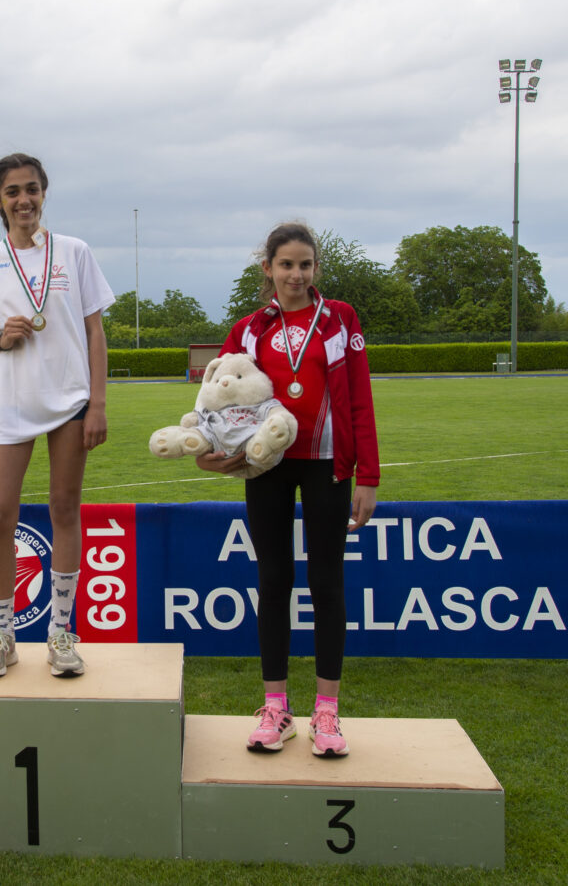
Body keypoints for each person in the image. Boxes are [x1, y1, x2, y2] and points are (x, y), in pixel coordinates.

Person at [199, 222, 379, 757]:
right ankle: (275, 708)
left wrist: (366, 475)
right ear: (268, 269)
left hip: (328, 466)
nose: (296, 274)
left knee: (327, 584)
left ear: (315, 268)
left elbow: (361, 400)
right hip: (267, 466)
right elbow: (217, 401)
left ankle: (327, 713)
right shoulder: (248, 329)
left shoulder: (341, 318)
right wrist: (209, 452)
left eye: (305, 265)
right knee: (273, 581)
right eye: (286, 265)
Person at [0, 152, 114, 677]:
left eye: (32, 189)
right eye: (12, 192)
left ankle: (61, 633)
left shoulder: (74, 251)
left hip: (70, 401)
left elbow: (94, 331)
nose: (24, 200)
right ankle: (1, 631)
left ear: (44, 192)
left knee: (64, 508)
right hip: (13, 401)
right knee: (0, 514)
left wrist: (98, 403)